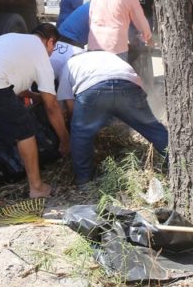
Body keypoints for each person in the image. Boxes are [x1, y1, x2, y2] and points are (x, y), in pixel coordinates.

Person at [0, 23, 70, 198]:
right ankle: (37, 187)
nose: (51, 53)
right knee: (25, 131)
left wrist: (35, 96)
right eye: (52, 49)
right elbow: (52, 105)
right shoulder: (39, 52)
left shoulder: (15, 40)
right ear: (50, 42)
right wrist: (64, 140)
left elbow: (17, 86)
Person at [57, 50, 168, 185]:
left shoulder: (68, 64)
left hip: (92, 90)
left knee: (80, 134)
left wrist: (80, 124)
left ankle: (84, 181)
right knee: (152, 128)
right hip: (128, 86)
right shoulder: (109, 56)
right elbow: (139, 85)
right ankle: (176, 162)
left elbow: (70, 106)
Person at [88, 0, 152, 60]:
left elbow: (91, 18)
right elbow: (140, 20)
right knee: (115, 74)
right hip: (116, 47)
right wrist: (148, 37)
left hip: (94, 43)